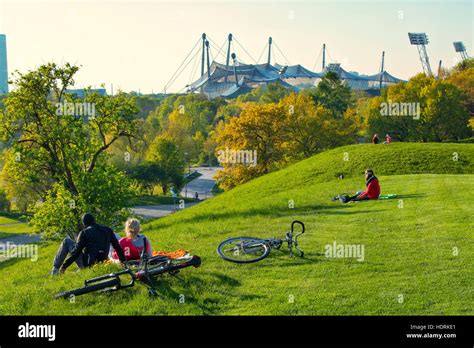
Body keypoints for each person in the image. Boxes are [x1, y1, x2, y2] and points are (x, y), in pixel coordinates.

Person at [51, 213, 126, 275]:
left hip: (88, 264)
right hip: (103, 262)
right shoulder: (108, 230)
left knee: (66, 241)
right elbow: (117, 247)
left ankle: (55, 270)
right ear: (94, 220)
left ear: (84, 224)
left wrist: (64, 266)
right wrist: (123, 262)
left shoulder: (84, 232)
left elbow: (76, 252)